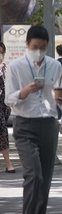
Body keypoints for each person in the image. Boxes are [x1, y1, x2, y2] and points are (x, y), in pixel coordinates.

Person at [5, 25, 62, 214]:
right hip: (25, 125)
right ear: (27, 45)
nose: (38, 51)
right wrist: (25, 91)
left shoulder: (55, 65)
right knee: (34, 175)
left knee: (45, 179)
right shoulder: (15, 67)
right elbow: (8, 98)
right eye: (34, 47)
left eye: (42, 47)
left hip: (49, 124)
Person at [0, 42, 15, 173]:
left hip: (4, 105)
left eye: (2, 52)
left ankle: (7, 162)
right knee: (3, 131)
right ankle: (8, 163)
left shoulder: (7, 68)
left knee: (2, 131)